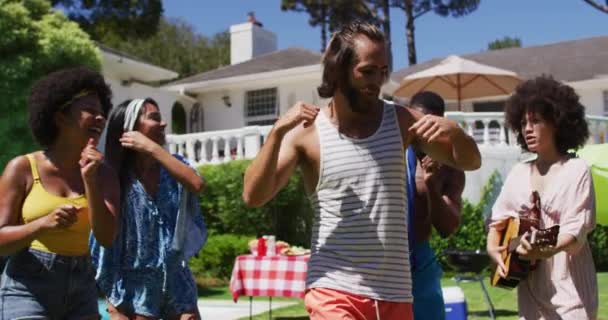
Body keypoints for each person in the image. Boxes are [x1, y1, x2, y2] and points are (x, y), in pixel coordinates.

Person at [242, 21, 481, 320]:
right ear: (339, 69)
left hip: (395, 292)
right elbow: (253, 195)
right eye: (367, 71)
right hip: (334, 290)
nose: (377, 81)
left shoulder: (402, 120)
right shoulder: (307, 133)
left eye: (382, 72)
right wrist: (276, 133)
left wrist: (456, 133)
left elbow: (471, 162)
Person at [0, 66, 119, 319]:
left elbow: (106, 237)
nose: (100, 118)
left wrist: (91, 180)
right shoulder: (21, 168)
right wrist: (42, 224)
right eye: (90, 111)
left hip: (83, 286)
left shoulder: (104, 174)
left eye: (102, 113)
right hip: (28, 285)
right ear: (60, 116)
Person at [486, 76, 598, 319]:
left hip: (572, 296)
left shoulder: (576, 170)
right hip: (530, 299)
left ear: (557, 123)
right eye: (523, 122)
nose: (527, 129)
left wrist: (545, 249)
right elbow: (498, 221)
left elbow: (575, 231)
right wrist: (493, 247)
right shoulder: (518, 173)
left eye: (535, 121)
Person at [90, 98, 207, 320]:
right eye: (154, 118)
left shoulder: (174, 166)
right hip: (135, 290)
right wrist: (114, 304)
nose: (163, 123)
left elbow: (197, 183)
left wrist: (152, 148)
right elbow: (105, 244)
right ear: (130, 128)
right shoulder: (112, 175)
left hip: (177, 282)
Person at [405, 91, 465, 320]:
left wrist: (430, 186)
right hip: (384, 257)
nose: (420, 130)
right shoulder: (392, 151)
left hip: (420, 260)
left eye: (428, 124)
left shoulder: (450, 166)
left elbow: (448, 227)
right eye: (414, 121)